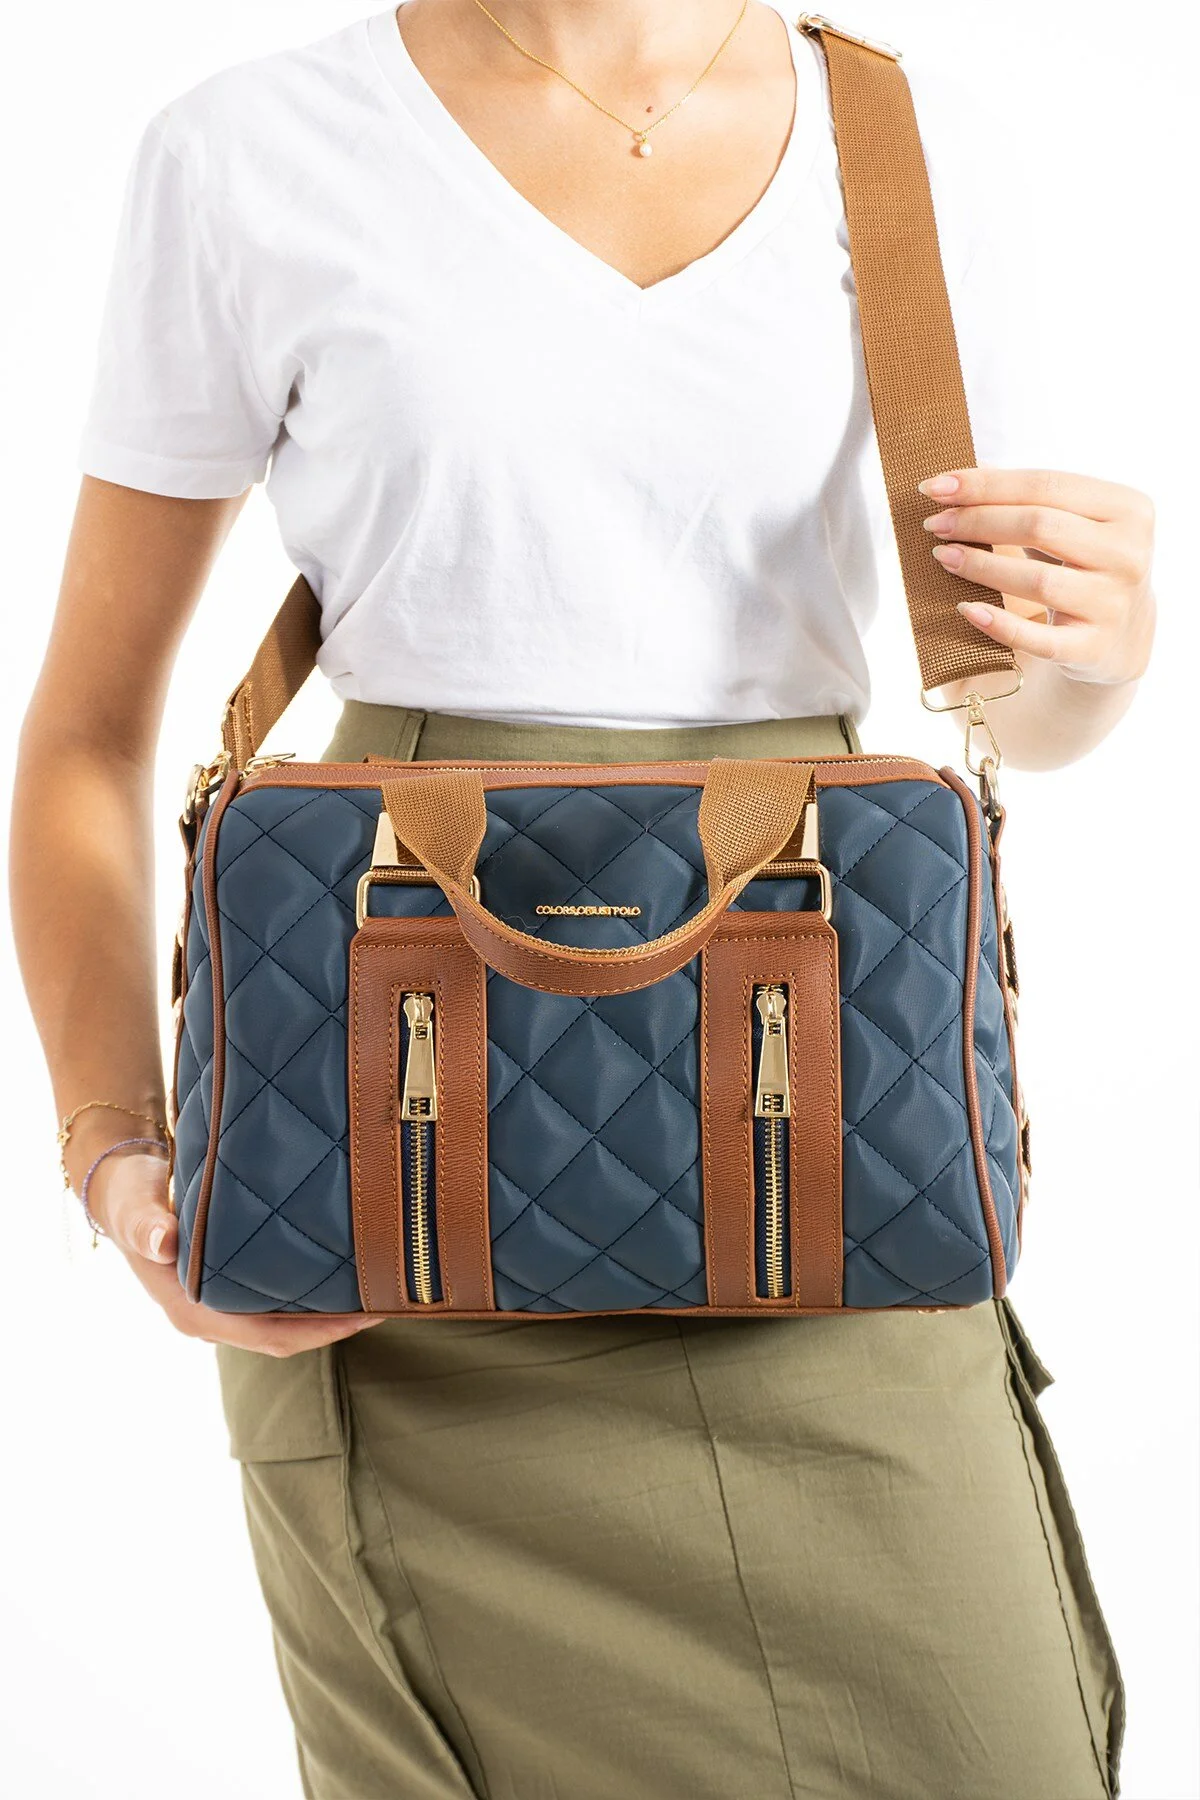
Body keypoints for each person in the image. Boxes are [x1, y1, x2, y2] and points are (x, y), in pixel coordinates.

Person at [12, 3, 1152, 1796]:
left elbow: (1018, 715)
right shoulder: (248, 152)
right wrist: (112, 1150)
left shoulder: (905, 143)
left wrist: (1100, 658)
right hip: (403, 1179)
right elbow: (86, 734)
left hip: (814, 1148)